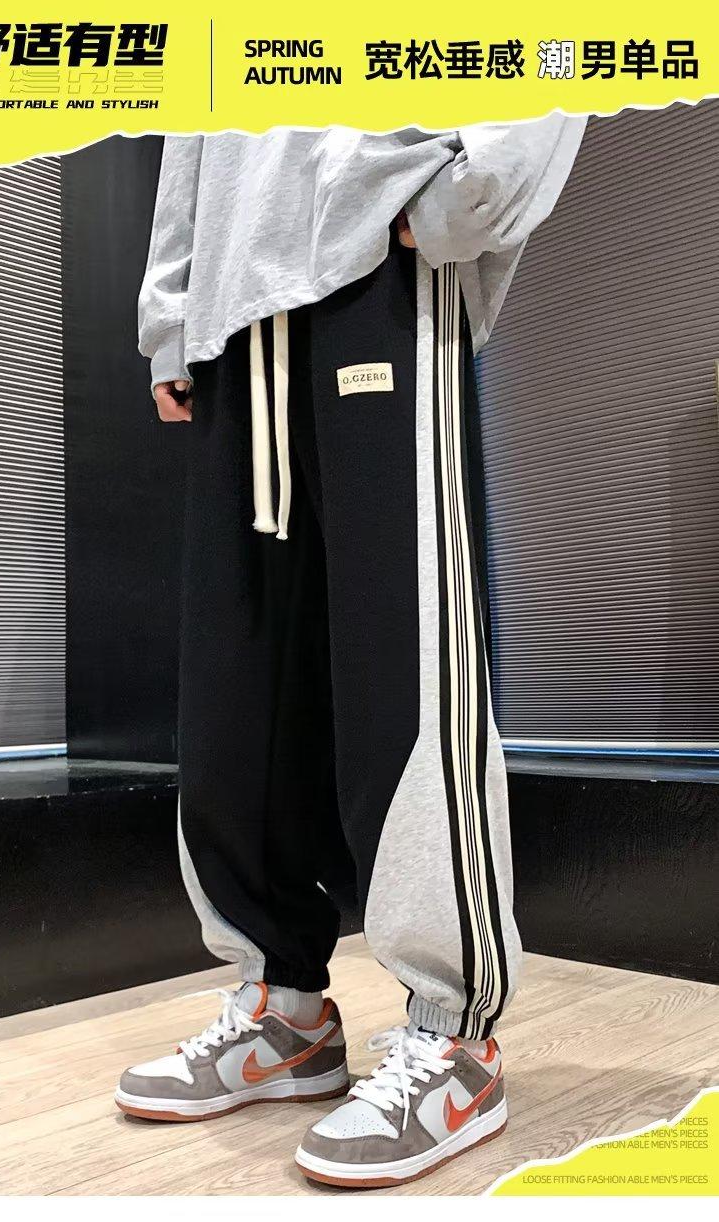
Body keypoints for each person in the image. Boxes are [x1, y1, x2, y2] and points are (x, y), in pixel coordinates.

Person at [115, 119, 586, 1188]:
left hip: (378, 257)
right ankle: (282, 1008)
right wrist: (172, 308)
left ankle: (455, 1039)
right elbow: (198, 112)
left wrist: (472, 186)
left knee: (403, 666)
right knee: (239, 676)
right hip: (234, 303)